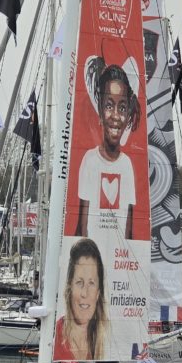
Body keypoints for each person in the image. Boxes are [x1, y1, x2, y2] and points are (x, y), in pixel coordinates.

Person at [75, 62, 139, 239]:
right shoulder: (89, 160)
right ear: (100, 110)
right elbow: (81, 227)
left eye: (123, 108)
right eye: (109, 106)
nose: (116, 116)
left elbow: (129, 230)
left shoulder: (127, 165)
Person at [54, 238, 109, 361]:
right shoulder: (57, 331)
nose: (85, 293)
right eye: (79, 282)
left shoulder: (105, 339)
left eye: (91, 283)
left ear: (98, 292)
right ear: (70, 287)